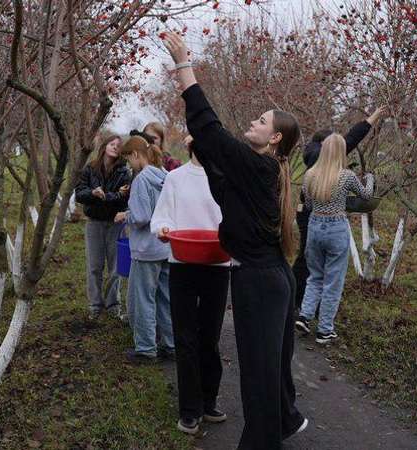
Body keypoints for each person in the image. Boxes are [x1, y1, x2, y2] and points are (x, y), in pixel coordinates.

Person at [162, 32, 307, 450]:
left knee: (259, 373)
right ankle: (285, 420)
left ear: (275, 138)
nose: (254, 123)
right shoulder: (262, 170)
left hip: (261, 283)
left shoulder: (261, 167)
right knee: (271, 365)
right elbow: (224, 186)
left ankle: (262, 441)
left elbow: (212, 128)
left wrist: (184, 67)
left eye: (262, 121)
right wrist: (204, 150)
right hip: (269, 277)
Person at [150, 135, 230, 435]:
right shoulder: (175, 178)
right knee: (185, 339)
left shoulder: (225, 176)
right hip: (182, 263)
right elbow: (160, 218)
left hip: (218, 265)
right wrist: (163, 230)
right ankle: (189, 410)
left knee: (209, 337)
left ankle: (208, 401)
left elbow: (232, 220)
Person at [292, 108, 387, 315]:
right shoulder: (321, 157)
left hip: (308, 213)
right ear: (327, 145)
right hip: (317, 218)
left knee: (308, 260)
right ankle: (302, 304)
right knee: (316, 266)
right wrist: (371, 119)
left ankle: (301, 303)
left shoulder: (313, 157)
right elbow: (351, 139)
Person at [295, 134, 375, 343]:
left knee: (315, 276)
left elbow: (309, 204)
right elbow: (366, 196)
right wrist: (370, 178)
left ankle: (304, 315)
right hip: (336, 227)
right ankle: (324, 330)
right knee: (333, 281)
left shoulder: (310, 174)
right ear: (340, 152)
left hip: (314, 226)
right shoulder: (347, 176)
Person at [114, 135, 175, 363]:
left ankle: (146, 349)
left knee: (143, 299)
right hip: (165, 248)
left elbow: (141, 217)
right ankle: (170, 344)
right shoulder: (165, 176)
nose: (129, 164)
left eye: (129, 159)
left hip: (146, 249)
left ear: (136, 155)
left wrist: (125, 215)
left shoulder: (141, 180)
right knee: (165, 299)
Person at [74, 133, 131, 320]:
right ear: (104, 146)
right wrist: (93, 192)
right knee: (94, 266)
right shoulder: (90, 169)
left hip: (116, 224)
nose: (115, 147)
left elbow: (124, 198)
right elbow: (79, 194)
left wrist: (105, 196)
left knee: (115, 267)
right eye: (111, 144)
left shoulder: (124, 172)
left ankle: (113, 303)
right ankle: (95, 304)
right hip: (94, 223)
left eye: (118, 145)